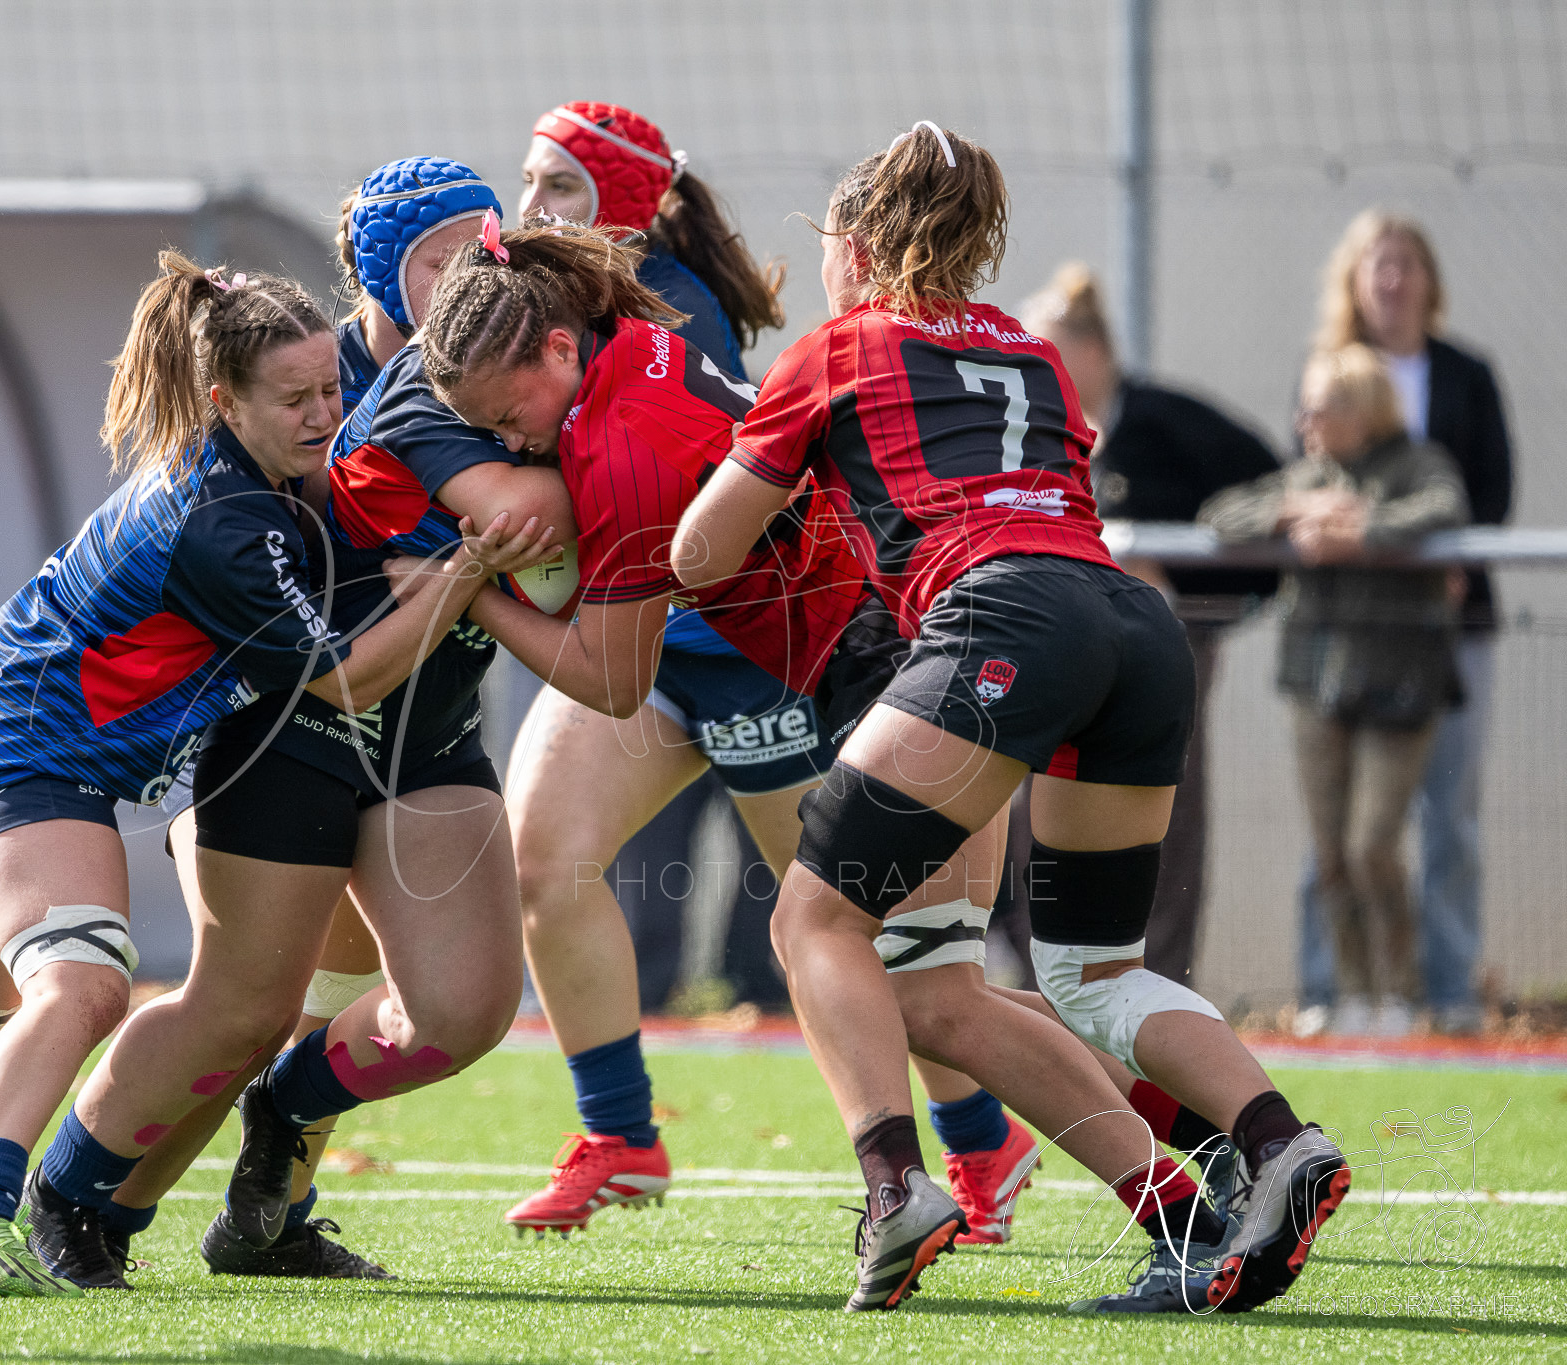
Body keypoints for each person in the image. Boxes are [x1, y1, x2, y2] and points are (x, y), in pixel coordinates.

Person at [0, 254, 545, 1295]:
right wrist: (463, 577)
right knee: (82, 979)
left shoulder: (226, 471)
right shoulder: (228, 524)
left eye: (330, 389)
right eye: (295, 398)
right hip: (27, 767)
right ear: (224, 401)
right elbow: (344, 683)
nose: (323, 414)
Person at [415, 215, 1249, 1306]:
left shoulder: (614, 436)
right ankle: (1203, 1173)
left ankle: (948, 1182)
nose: (512, 444)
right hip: (929, 650)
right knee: (950, 995)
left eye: (504, 416)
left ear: (557, 352)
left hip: (902, 667)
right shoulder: (636, 338)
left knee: (851, 949)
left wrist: (463, 584)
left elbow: (613, 678)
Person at [672, 124, 1350, 1314]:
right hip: (1129, 624)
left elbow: (697, 551)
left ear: (858, 243)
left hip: (999, 627)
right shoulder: (1032, 351)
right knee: (1087, 975)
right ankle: (1270, 1143)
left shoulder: (838, 345)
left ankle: (895, 1187)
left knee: (814, 920)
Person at [21, 161, 574, 1287]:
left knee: (461, 1013)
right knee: (237, 1006)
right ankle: (66, 1202)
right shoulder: (318, 376)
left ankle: (283, 1122)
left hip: (431, 733)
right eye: (436, 258)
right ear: (378, 270)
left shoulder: (520, 359)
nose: (471, 274)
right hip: (291, 734)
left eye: (485, 245)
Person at [519, 101, 796, 1019]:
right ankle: (619, 1139)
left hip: (746, 647)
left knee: (836, 926)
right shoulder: (554, 303)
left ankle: (976, 1136)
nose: (535, 203)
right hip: (649, 641)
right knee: (544, 865)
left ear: (625, 200)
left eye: (561, 184)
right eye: (530, 180)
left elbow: (635, 496)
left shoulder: (670, 310)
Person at [1018, 263, 1281, 987]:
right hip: (1058, 646)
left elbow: (1273, 483)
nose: (1037, 369)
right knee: (1023, 811)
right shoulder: (1029, 429)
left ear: (1095, 352)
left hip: (1165, 645)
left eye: (1052, 352)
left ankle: (1159, 979)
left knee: (1168, 807)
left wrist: (1184, 576)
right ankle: (1047, 974)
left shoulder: (1168, 422)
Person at [1203, 345, 1468, 1036]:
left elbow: (1447, 508)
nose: (1305, 419)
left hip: (1402, 681)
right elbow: (1222, 514)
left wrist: (1360, 529)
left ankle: (1403, 993)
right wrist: (1293, 509)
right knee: (1328, 851)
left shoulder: (1417, 462)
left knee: (1371, 844)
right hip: (1317, 683)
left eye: (1320, 406)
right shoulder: (1308, 473)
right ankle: (1353, 994)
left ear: (1362, 410)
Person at [1299, 211, 1512, 1036]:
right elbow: (1299, 484)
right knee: (1335, 826)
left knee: (1446, 813)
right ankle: (1334, 990)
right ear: (1353, 281)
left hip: (1446, 631)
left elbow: (1482, 492)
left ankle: (1445, 993)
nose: (1392, 280)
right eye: (1376, 265)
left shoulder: (1466, 375)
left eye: (1406, 264)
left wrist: (1437, 550)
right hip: (1343, 638)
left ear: (1428, 279)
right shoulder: (1325, 371)